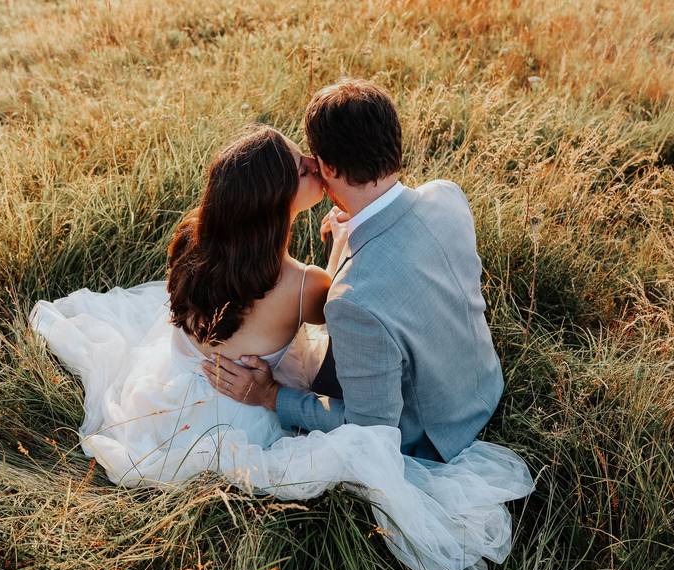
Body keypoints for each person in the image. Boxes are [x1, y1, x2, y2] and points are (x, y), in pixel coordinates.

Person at [29, 120, 533, 570]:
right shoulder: (300, 286)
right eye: (300, 169)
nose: (312, 166)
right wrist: (342, 239)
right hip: (241, 408)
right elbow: (341, 302)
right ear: (276, 204)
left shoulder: (193, 241)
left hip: (170, 386)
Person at [204, 79, 505, 464]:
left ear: (328, 166)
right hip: (483, 383)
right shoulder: (447, 196)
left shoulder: (353, 301)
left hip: (434, 434)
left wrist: (269, 395)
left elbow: (370, 429)